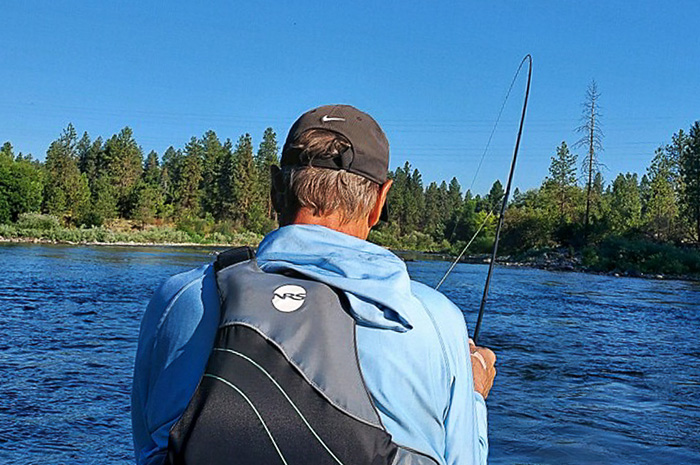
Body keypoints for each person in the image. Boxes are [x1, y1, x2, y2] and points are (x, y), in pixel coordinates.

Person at [131, 104, 496, 465]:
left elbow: (148, 448)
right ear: (379, 203)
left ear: (276, 190)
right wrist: (474, 395)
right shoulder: (436, 319)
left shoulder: (177, 298)